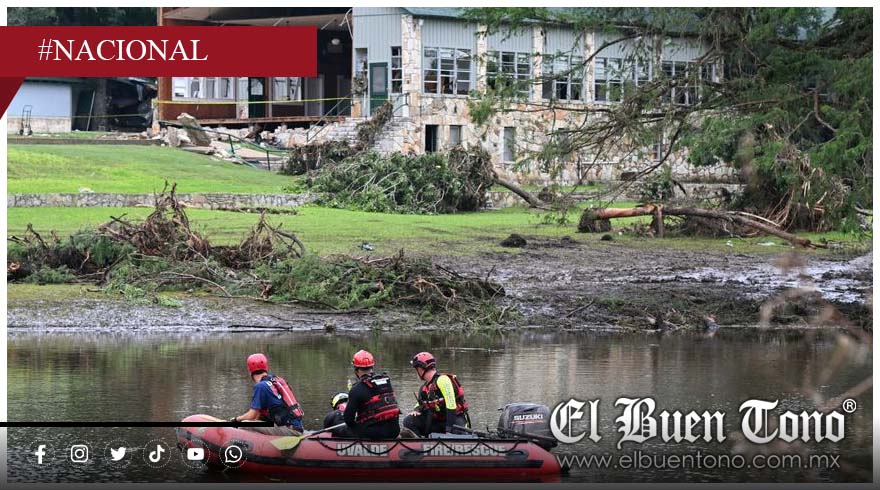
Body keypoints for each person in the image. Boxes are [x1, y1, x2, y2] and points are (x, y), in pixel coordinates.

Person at [232, 353, 304, 432]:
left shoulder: (260, 386)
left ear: (250, 371)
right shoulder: (276, 380)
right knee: (256, 420)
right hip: (295, 426)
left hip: (289, 429)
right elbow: (257, 415)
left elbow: (252, 415)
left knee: (245, 424)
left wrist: (236, 419)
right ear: (266, 367)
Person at [403, 352, 470, 437]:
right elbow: (419, 405)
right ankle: (421, 443)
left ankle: (457, 438)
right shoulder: (424, 388)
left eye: (416, 369)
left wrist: (448, 431)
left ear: (420, 369)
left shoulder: (443, 380)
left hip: (455, 421)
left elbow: (451, 406)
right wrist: (416, 411)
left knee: (456, 434)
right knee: (409, 421)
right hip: (438, 422)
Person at [343, 350, 401, 439]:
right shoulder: (386, 381)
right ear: (372, 367)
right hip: (394, 431)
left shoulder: (356, 389)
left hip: (372, 434)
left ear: (356, 369)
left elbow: (348, 420)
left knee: (343, 429)